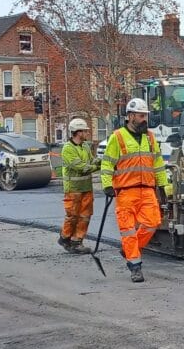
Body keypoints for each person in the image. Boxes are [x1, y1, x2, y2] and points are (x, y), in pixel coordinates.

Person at [101, 98, 168, 282]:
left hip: (147, 190)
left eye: (145, 115)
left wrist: (163, 186)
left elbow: (158, 163)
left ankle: (130, 249)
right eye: (140, 115)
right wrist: (106, 184)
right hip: (125, 192)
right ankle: (135, 266)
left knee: (153, 223)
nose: (144, 119)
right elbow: (107, 163)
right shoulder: (118, 137)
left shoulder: (150, 137)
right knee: (128, 231)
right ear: (130, 116)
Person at [59, 118, 101, 254]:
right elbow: (81, 167)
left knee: (85, 216)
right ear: (78, 132)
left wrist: (101, 160)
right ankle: (65, 238)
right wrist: (96, 166)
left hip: (86, 187)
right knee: (72, 215)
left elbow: (91, 161)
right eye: (85, 131)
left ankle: (77, 241)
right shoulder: (68, 149)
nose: (87, 133)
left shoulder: (85, 146)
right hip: (73, 188)